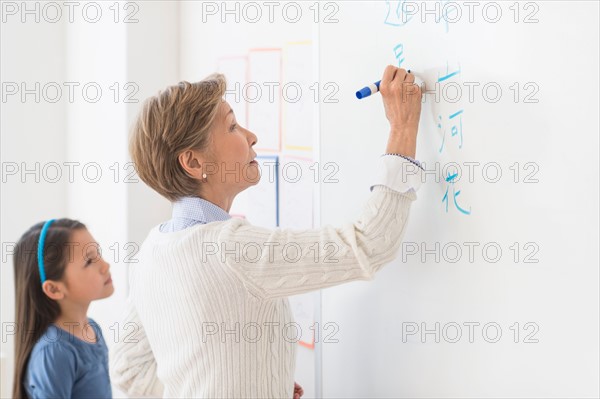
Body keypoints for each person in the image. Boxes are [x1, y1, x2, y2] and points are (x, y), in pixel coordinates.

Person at [110, 65, 423, 398]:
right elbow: (370, 244)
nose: (250, 136)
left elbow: (128, 370)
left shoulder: (154, 249)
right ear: (193, 163)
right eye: (232, 126)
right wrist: (403, 128)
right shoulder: (229, 248)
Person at [12, 218, 114, 398]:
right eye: (89, 261)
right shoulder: (54, 351)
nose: (105, 266)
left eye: (98, 253)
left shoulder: (93, 328)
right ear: (54, 288)